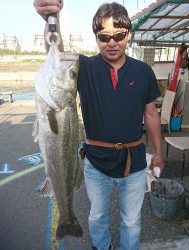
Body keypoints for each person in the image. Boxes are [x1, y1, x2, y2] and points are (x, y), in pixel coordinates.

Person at [34, 1, 164, 249]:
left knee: (131, 221)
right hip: (96, 161)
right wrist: (51, 17)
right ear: (96, 37)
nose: (112, 42)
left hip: (134, 161)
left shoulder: (144, 71)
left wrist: (158, 153)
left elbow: (151, 115)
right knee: (97, 216)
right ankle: (102, 246)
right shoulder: (85, 67)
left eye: (119, 35)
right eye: (104, 36)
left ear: (129, 35)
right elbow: (56, 54)